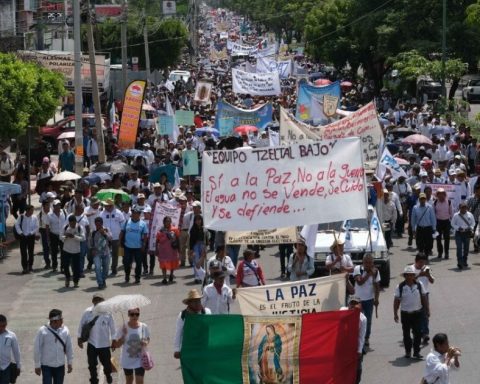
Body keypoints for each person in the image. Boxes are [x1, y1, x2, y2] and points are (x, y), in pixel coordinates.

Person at [77, 294, 115, 384]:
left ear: (103, 301)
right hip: (92, 344)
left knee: (107, 365)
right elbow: (81, 325)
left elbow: (113, 328)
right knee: (92, 365)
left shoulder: (108, 312)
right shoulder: (87, 312)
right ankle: (94, 380)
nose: (97, 301)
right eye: (96, 300)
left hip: (104, 344)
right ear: (93, 301)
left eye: (100, 300)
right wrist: (79, 338)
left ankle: (108, 375)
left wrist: (114, 340)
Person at [393, 265, 429, 359]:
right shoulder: (400, 287)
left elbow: (424, 297)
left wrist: (427, 310)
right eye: (407, 275)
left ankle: (416, 352)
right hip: (405, 314)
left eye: (411, 275)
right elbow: (396, 301)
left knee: (418, 333)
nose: (409, 277)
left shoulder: (419, 285)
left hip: (417, 313)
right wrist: (395, 313)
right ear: (405, 276)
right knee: (406, 334)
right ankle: (408, 351)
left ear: (414, 276)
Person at [33, 309, 73, 384]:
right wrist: (37, 365)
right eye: (60, 319)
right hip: (46, 366)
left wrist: (69, 362)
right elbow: (37, 348)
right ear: (54, 321)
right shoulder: (42, 331)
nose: (62, 321)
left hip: (60, 365)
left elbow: (69, 347)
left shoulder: (65, 330)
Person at [112, 308, 150, 384]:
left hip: (140, 359)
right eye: (132, 314)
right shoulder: (123, 327)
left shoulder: (144, 327)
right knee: (129, 380)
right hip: (127, 360)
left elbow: (148, 339)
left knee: (140, 381)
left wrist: (145, 342)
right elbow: (116, 345)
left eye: (137, 314)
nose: (135, 316)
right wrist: (123, 336)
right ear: (128, 315)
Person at [353, 254, 380, 352]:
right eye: (366, 262)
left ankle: (366, 338)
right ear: (363, 262)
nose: (368, 265)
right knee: (357, 319)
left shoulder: (376, 272)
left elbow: (377, 287)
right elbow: (360, 282)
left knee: (368, 320)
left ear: (373, 263)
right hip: (357, 299)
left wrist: (376, 299)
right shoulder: (357, 269)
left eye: (370, 262)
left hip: (369, 300)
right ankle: (356, 337)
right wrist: (369, 274)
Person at [173, 289, 211, 359]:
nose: (197, 303)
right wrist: (176, 349)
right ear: (189, 303)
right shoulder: (183, 315)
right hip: (189, 347)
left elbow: (211, 329)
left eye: (198, 300)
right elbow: (178, 333)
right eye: (195, 301)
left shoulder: (207, 312)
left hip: (204, 345)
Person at [340, 297, 366, 384]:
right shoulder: (343, 311)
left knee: (357, 371)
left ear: (360, 305)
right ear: (348, 305)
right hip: (343, 347)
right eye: (352, 303)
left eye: (356, 303)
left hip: (355, 347)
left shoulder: (363, 319)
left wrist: (359, 351)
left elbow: (361, 336)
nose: (354, 306)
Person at [120, 207, 148, 284]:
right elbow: (122, 232)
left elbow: (145, 235)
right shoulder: (126, 222)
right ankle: (127, 275)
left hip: (138, 247)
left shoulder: (143, 224)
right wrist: (120, 243)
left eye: (137, 213)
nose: (135, 215)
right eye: (134, 213)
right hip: (127, 247)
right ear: (132, 214)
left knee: (139, 263)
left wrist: (144, 244)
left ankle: (137, 278)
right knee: (126, 262)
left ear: (139, 214)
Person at [412, 253, 435, 345]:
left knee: (425, 314)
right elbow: (409, 281)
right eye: (420, 262)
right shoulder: (411, 269)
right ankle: (416, 331)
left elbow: (432, 281)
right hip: (414, 295)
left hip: (425, 294)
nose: (422, 264)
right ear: (416, 262)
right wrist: (419, 275)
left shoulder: (426, 268)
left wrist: (427, 275)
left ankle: (425, 333)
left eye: (423, 262)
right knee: (415, 315)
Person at [100, 198, 125, 276]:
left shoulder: (119, 213)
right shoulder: (102, 213)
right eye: (106, 205)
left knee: (115, 254)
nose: (106, 207)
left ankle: (114, 269)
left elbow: (123, 224)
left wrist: (121, 235)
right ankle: (105, 269)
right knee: (104, 254)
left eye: (108, 205)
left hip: (116, 237)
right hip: (105, 237)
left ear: (112, 205)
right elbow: (99, 225)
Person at [60, 215, 86, 288]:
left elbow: (83, 238)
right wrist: (66, 236)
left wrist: (74, 237)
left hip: (76, 250)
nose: (73, 225)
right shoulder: (65, 227)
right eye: (71, 224)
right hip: (66, 249)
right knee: (65, 266)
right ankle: (67, 278)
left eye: (74, 223)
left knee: (76, 267)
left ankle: (75, 281)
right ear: (69, 222)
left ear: (75, 222)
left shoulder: (79, 228)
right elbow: (60, 236)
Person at [155, 216, 181, 285]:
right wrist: (156, 249)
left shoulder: (175, 229)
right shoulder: (160, 231)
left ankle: (171, 274)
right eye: (166, 221)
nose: (168, 222)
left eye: (169, 221)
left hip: (172, 250)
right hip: (163, 251)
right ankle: (164, 278)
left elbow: (178, 240)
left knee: (172, 263)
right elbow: (157, 241)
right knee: (163, 264)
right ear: (164, 222)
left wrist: (179, 249)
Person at [14, 204, 39, 274]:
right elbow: (16, 224)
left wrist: (32, 233)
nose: (32, 212)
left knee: (31, 252)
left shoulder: (34, 217)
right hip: (23, 237)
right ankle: (25, 267)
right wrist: (20, 232)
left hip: (31, 237)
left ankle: (30, 266)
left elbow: (37, 226)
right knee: (23, 253)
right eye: (31, 210)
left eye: (33, 210)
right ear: (27, 211)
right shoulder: (21, 217)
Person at [412, 193, 437, 257]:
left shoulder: (430, 207)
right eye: (421, 199)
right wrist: (413, 229)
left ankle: (426, 256)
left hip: (428, 228)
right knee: (420, 244)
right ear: (419, 199)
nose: (422, 200)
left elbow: (433, 218)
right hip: (420, 228)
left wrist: (434, 228)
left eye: (424, 199)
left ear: (425, 199)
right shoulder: (415, 208)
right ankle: (421, 257)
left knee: (428, 244)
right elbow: (413, 219)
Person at [451, 202, 475, 269]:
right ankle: (460, 262)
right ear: (459, 208)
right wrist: (458, 228)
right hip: (459, 233)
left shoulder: (470, 215)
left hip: (467, 233)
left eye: (465, 207)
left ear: (466, 208)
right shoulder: (456, 215)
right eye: (462, 207)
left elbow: (473, 223)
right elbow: (452, 223)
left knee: (466, 248)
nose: (464, 209)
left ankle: (465, 261)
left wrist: (470, 228)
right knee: (459, 248)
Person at [90, 217, 112, 289]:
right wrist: (92, 249)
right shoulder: (93, 232)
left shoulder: (106, 229)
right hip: (97, 252)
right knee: (97, 267)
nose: (98, 226)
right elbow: (90, 242)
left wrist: (104, 233)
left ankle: (103, 279)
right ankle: (100, 283)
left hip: (106, 252)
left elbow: (110, 238)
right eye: (96, 225)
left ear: (102, 224)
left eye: (99, 225)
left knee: (106, 268)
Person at [0, 314, 21, 384]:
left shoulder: (11, 335)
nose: (2, 328)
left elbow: (16, 351)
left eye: (4, 326)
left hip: (6, 367)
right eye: (0, 326)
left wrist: (18, 365)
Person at [188, 214, 209, 283]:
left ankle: (202, 275)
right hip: (195, 246)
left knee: (202, 260)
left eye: (199, 220)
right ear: (194, 221)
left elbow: (206, 238)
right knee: (196, 260)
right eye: (196, 220)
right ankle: (197, 276)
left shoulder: (204, 228)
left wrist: (207, 246)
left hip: (203, 245)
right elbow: (191, 240)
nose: (198, 221)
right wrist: (191, 249)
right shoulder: (193, 229)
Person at [433, 188, 453, 259]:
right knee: (438, 238)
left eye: (442, 194)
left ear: (445, 195)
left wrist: (452, 223)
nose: (441, 196)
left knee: (447, 238)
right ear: (437, 195)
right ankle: (440, 253)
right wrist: (434, 224)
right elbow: (433, 213)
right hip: (438, 222)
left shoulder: (449, 202)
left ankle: (446, 253)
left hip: (446, 222)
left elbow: (451, 213)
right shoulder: (435, 202)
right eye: (439, 194)